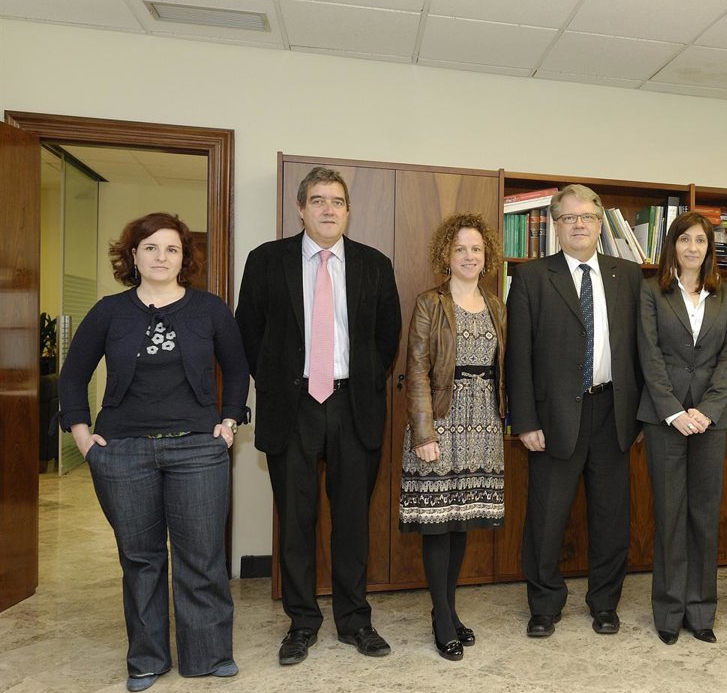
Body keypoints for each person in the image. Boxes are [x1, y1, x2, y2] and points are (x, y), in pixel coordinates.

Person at [59, 212, 248, 692]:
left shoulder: (210, 310)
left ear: (184, 259)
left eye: (172, 249)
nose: (161, 257)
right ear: (133, 255)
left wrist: (228, 424)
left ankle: (208, 655)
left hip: (198, 451)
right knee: (140, 560)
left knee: (201, 557)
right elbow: (73, 376)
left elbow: (237, 369)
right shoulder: (109, 312)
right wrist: (82, 437)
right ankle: (146, 659)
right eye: (150, 247)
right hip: (123, 453)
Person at [236, 166, 401, 665]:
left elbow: (386, 336)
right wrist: (278, 382)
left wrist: (362, 381)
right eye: (318, 200)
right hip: (293, 407)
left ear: (348, 211)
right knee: (296, 521)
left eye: (337, 201)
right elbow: (248, 332)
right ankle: (302, 623)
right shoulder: (266, 261)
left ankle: (355, 621)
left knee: (352, 521)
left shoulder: (374, 264)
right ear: (300, 208)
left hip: (354, 406)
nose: (329, 209)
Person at [506, 183, 643, 638]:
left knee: (611, 518)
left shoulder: (629, 275)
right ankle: (544, 605)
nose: (579, 224)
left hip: (614, 412)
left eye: (587, 216)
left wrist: (641, 414)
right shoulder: (531, 276)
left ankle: (605, 603)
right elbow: (518, 356)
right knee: (546, 518)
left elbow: (641, 350)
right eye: (569, 217)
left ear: (600, 223)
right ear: (556, 224)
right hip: (553, 419)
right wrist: (525, 420)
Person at [401, 213, 506, 661]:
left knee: (463, 521)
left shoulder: (497, 305)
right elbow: (417, 370)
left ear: (487, 256)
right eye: (460, 248)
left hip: (483, 424)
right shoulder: (430, 303)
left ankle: (449, 608)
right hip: (440, 422)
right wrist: (424, 432)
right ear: (446, 254)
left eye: (476, 249)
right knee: (438, 526)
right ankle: (441, 617)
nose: (468, 256)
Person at [637, 211, 727, 645]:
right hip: (665, 419)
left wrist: (708, 411)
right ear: (673, 246)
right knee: (670, 514)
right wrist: (675, 412)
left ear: (709, 247)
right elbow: (649, 355)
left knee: (704, 516)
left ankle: (701, 612)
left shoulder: (726, 295)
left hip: (711, 421)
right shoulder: (651, 291)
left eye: (700, 240)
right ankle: (668, 611)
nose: (692, 247)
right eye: (684, 239)